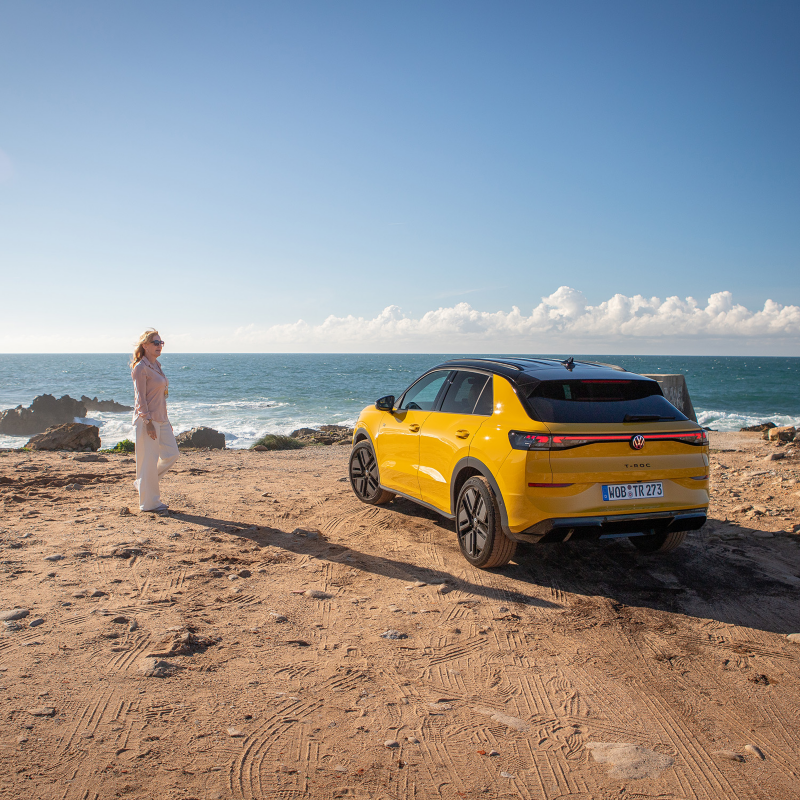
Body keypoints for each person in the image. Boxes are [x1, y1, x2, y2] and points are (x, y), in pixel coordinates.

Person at [130, 329, 179, 512]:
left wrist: (166, 420)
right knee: (148, 461)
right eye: (155, 343)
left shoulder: (156, 365)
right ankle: (149, 504)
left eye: (161, 343)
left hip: (162, 419)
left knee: (172, 454)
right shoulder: (140, 368)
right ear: (145, 346)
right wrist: (148, 422)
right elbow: (140, 398)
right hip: (147, 420)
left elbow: (161, 396)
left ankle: (142, 483)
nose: (160, 346)